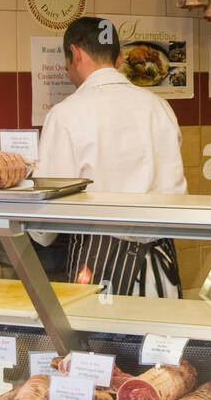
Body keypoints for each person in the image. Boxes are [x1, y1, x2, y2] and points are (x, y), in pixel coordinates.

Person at [35, 16, 188, 297]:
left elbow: (46, 221)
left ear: (75, 54)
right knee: (161, 341)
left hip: (100, 269)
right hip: (163, 267)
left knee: (102, 341)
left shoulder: (65, 114)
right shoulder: (160, 107)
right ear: (119, 57)